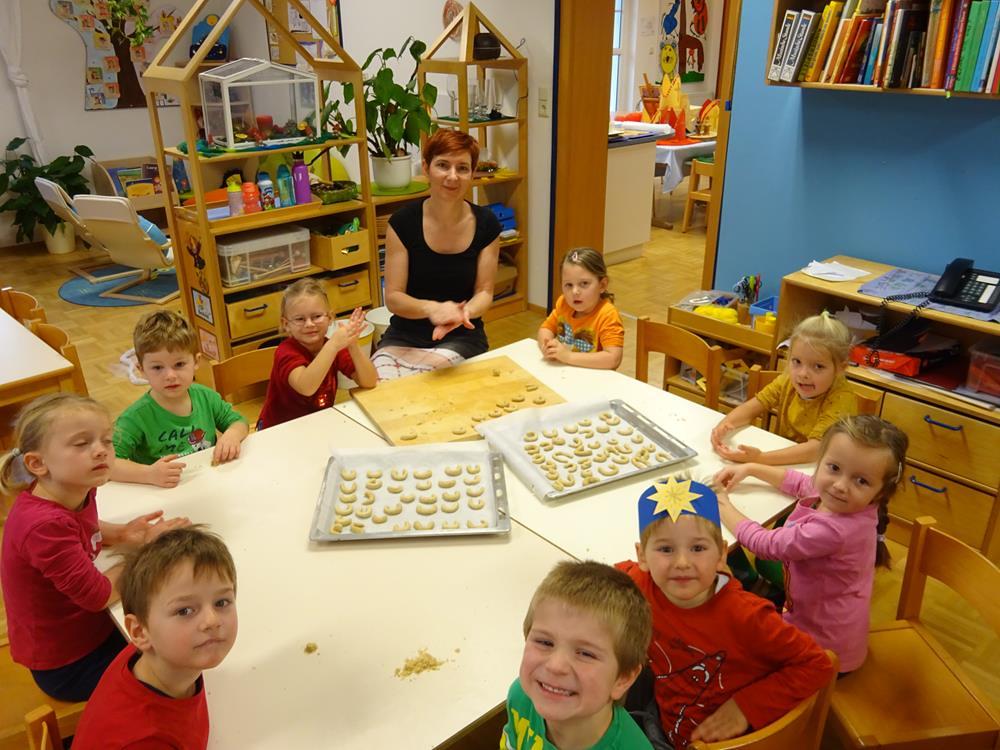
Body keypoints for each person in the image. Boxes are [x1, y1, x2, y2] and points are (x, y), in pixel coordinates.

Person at [617, 476, 832, 748]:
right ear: (643, 556)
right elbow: (606, 582)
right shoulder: (639, 584)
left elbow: (816, 664)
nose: (682, 562)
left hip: (729, 742)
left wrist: (745, 707)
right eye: (666, 549)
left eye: (697, 548)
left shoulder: (747, 616)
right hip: (662, 721)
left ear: (720, 553)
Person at [0, 394, 189, 702]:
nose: (101, 450)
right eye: (81, 444)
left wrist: (126, 534)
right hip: (70, 666)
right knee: (179, 657)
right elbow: (98, 595)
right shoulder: (42, 527)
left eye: (107, 440)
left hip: (90, 634)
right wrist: (148, 552)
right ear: (37, 463)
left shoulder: (72, 489)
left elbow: (84, 526)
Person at [714, 415, 907, 673]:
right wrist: (750, 468)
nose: (840, 486)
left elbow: (765, 544)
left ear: (880, 492)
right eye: (834, 468)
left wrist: (721, 503)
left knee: (737, 658)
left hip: (825, 652)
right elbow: (801, 483)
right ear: (821, 461)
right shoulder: (851, 501)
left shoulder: (834, 530)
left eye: (861, 480)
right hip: (823, 622)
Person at [72, 527, 238, 749]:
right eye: (185, 611)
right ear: (140, 632)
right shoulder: (145, 741)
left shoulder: (153, 659)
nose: (212, 620)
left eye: (222, 602)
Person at [372, 128, 502, 380]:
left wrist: (461, 314)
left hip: (462, 335)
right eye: (443, 165)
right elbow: (394, 298)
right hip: (404, 334)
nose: (452, 177)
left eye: (462, 168)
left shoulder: (486, 223)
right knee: (380, 388)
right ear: (425, 167)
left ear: (472, 173)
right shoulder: (402, 223)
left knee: (436, 385)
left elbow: (484, 292)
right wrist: (433, 309)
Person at [501, 560, 654, 750]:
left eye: (585, 654)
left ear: (623, 678)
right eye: (545, 642)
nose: (555, 666)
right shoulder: (522, 697)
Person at [112, 311, 249, 488]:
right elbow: (109, 463)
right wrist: (148, 474)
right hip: (161, 493)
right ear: (142, 370)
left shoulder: (205, 396)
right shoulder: (135, 417)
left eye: (179, 364)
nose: (170, 375)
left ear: (196, 361)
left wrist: (231, 435)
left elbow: (239, 421)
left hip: (211, 483)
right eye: (157, 367)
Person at [711, 312, 857, 465]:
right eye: (797, 361)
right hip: (782, 460)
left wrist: (759, 459)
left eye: (818, 366)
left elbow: (816, 449)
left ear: (841, 368)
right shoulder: (787, 380)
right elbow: (752, 407)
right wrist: (724, 426)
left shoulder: (842, 398)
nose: (803, 374)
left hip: (815, 470)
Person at [257, 279, 377, 429]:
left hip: (317, 424)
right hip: (278, 429)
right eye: (300, 319)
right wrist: (333, 345)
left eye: (317, 316)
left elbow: (370, 381)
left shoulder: (332, 347)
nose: (309, 324)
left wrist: (353, 345)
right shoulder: (285, 351)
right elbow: (306, 387)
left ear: (330, 318)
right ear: (286, 325)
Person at [537, 248, 625, 370]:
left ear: (602, 285)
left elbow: (613, 359)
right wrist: (546, 346)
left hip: (596, 381)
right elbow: (546, 328)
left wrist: (568, 356)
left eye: (584, 283)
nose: (575, 292)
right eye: (568, 285)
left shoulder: (607, 315)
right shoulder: (564, 303)